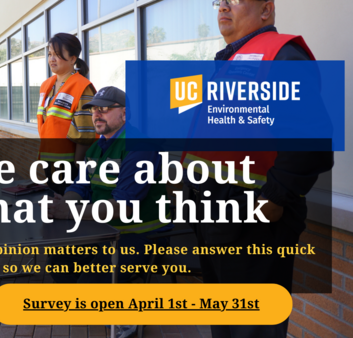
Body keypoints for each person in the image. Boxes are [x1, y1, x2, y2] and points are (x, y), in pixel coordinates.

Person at [181, 1, 334, 337]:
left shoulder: (281, 55)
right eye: (218, 0)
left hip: (253, 220)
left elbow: (312, 141)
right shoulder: (231, 61)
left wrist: (275, 197)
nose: (223, 5)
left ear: (266, 10)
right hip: (217, 216)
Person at [48, 86, 173, 338]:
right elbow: (79, 186)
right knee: (60, 260)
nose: (97, 114)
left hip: (142, 236)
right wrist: (66, 203)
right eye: (94, 109)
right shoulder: (97, 147)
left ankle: (126, 320)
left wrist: (68, 211)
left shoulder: (140, 147)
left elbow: (123, 207)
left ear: (125, 114)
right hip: (106, 231)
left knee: (91, 282)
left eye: (104, 109)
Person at [37, 33, 97, 194]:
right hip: (50, 163)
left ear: (72, 58)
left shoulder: (81, 86)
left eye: (57, 55)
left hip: (71, 167)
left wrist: (78, 167)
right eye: (49, 54)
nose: (51, 59)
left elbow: (86, 131)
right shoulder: (46, 86)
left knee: (69, 211)